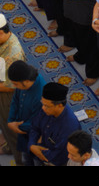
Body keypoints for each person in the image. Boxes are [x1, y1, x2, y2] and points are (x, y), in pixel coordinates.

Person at [27, 82, 81, 166]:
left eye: (46, 106)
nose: (43, 108)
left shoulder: (69, 127)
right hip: (40, 149)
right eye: (43, 104)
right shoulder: (47, 109)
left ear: (59, 105)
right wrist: (32, 144)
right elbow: (34, 127)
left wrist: (38, 152)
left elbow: (59, 154)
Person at [7, 61, 46, 166]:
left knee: (37, 161)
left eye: (15, 84)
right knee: (26, 158)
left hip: (36, 136)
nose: (14, 86)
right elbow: (15, 100)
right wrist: (11, 121)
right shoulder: (23, 84)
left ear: (26, 81)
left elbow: (36, 122)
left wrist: (17, 127)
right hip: (23, 132)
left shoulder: (40, 96)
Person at [0, 14, 25, 165]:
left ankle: (20, 158)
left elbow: (11, 86)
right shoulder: (3, 40)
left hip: (8, 97)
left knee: (12, 128)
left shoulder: (13, 54)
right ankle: (8, 144)